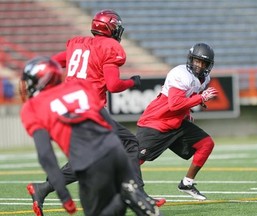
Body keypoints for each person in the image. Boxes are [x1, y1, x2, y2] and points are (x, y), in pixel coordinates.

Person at [25, 8, 166, 214]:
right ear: (111, 28)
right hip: (90, 111)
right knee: (130, 143)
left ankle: (42, 188)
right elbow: (113, 85)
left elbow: (53, 62)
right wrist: (132, 82)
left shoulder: (78, 44)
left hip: (69, 109)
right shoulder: (109, 46)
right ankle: (138, 193)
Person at [136, 43, 218, 200]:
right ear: (190, 59)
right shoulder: (181, 74)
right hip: (156, 121)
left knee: (206, 144)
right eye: (196, 61)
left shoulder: (205, 78)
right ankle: (121, 188)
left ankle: (187, 183)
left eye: (203, 63)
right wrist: (201, 98)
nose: (199, 66)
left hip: (176, 122)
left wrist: (189, 110)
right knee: (135, 159)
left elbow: (188, 97)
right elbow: (174, 104)